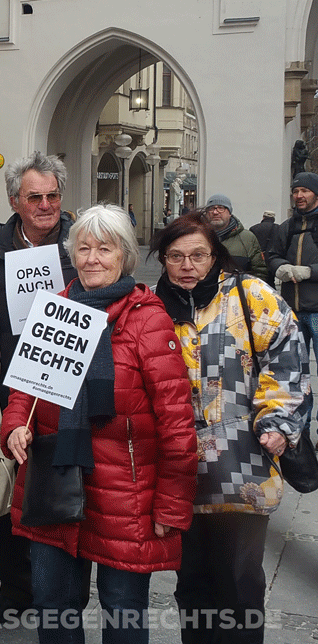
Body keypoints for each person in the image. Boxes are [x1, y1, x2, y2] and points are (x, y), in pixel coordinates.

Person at [2, 204, 197, 644]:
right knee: (53, 609)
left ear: (124, 256)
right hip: (55, 482)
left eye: (103, 249)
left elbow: (178, 426)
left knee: (124, 613)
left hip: (126, 497)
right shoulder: (52, 310)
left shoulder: (149, 320)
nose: (91, 258)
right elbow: (25, 390)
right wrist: (15, 424)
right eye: (84, 248)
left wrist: (170, 505)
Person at [154, 212, 307, 644]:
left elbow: (288, 360)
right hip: (178, 471)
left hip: (243, 466)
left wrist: (278, 420)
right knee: (193, 585)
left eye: (198, 255)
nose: (187, 265)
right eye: (176, 256)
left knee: (239, 583)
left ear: (215, 256)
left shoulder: (251, 296)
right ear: (163, 260)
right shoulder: (149, 307)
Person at [0, 151, 78, 625]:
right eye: (35, 197)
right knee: (8, 495)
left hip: (66, 394)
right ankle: (12, 590)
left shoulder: (83, 245)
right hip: (7, 392)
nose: (46, 205)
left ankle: (60, 594)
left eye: (53, 196)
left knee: (61, 495)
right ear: (15, 200)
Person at [266, 171, 318, 434]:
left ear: (315, 194)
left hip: (317, 311)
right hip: (293, 312)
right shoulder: (287, 226)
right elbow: (271, 255)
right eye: (295, 191)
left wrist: (310, 271)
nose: (299, 196)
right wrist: (281, 267)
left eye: (304, 191)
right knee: (296, 377)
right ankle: (301, 430)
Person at [203, 194, 266, 280]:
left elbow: (259, 272)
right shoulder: (197, 237)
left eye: (221, 208)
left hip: (237, 291)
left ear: (229, 213)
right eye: (211, 208)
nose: (215, 212)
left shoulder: (247, 238)